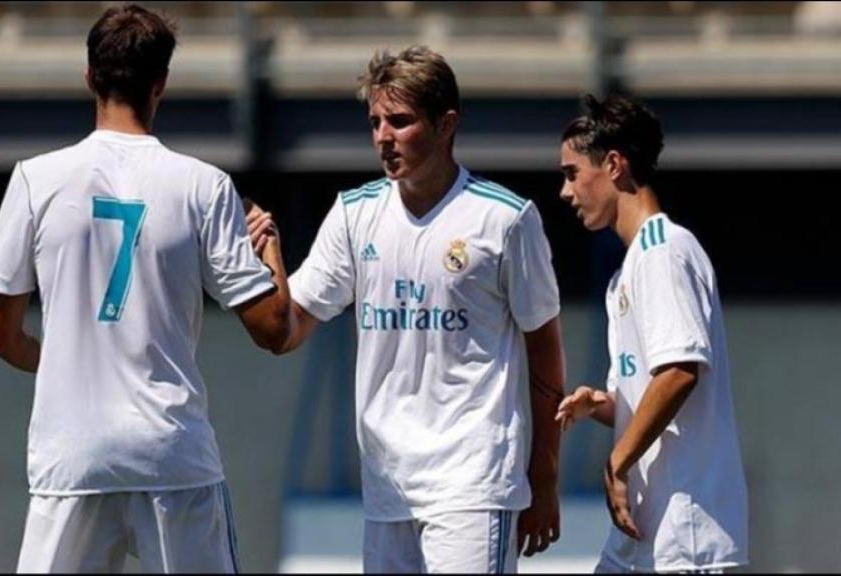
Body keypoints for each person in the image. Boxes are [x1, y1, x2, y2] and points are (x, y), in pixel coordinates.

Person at [0, 4, 290, 572]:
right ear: (161, 84)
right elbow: (275, 331)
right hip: (171, 456)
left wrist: (73, 364)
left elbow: (3, 338)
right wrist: (268, 243)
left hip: (71, 455)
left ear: (90, 78)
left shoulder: (33, 179)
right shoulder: (205, 185)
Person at [248, 45, 566, 573]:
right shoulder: (354, 215)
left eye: (399, 121)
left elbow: (545, 351)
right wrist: (270, 258)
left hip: (472, 481)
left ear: (446, 125)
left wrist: (545, 476)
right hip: (387, 485)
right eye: (375, 122)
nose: (382, 136)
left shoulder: (505, 220)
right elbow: (285, 331)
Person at [554, 94, 748, 573]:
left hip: (685, 533)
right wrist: (600, 406)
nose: (565, 191)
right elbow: (650, 397)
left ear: (615, 165)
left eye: (571, 173)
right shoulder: (630, 269)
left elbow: (681, 372)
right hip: (642, 532)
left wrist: (616, 461)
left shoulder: (663, 251)